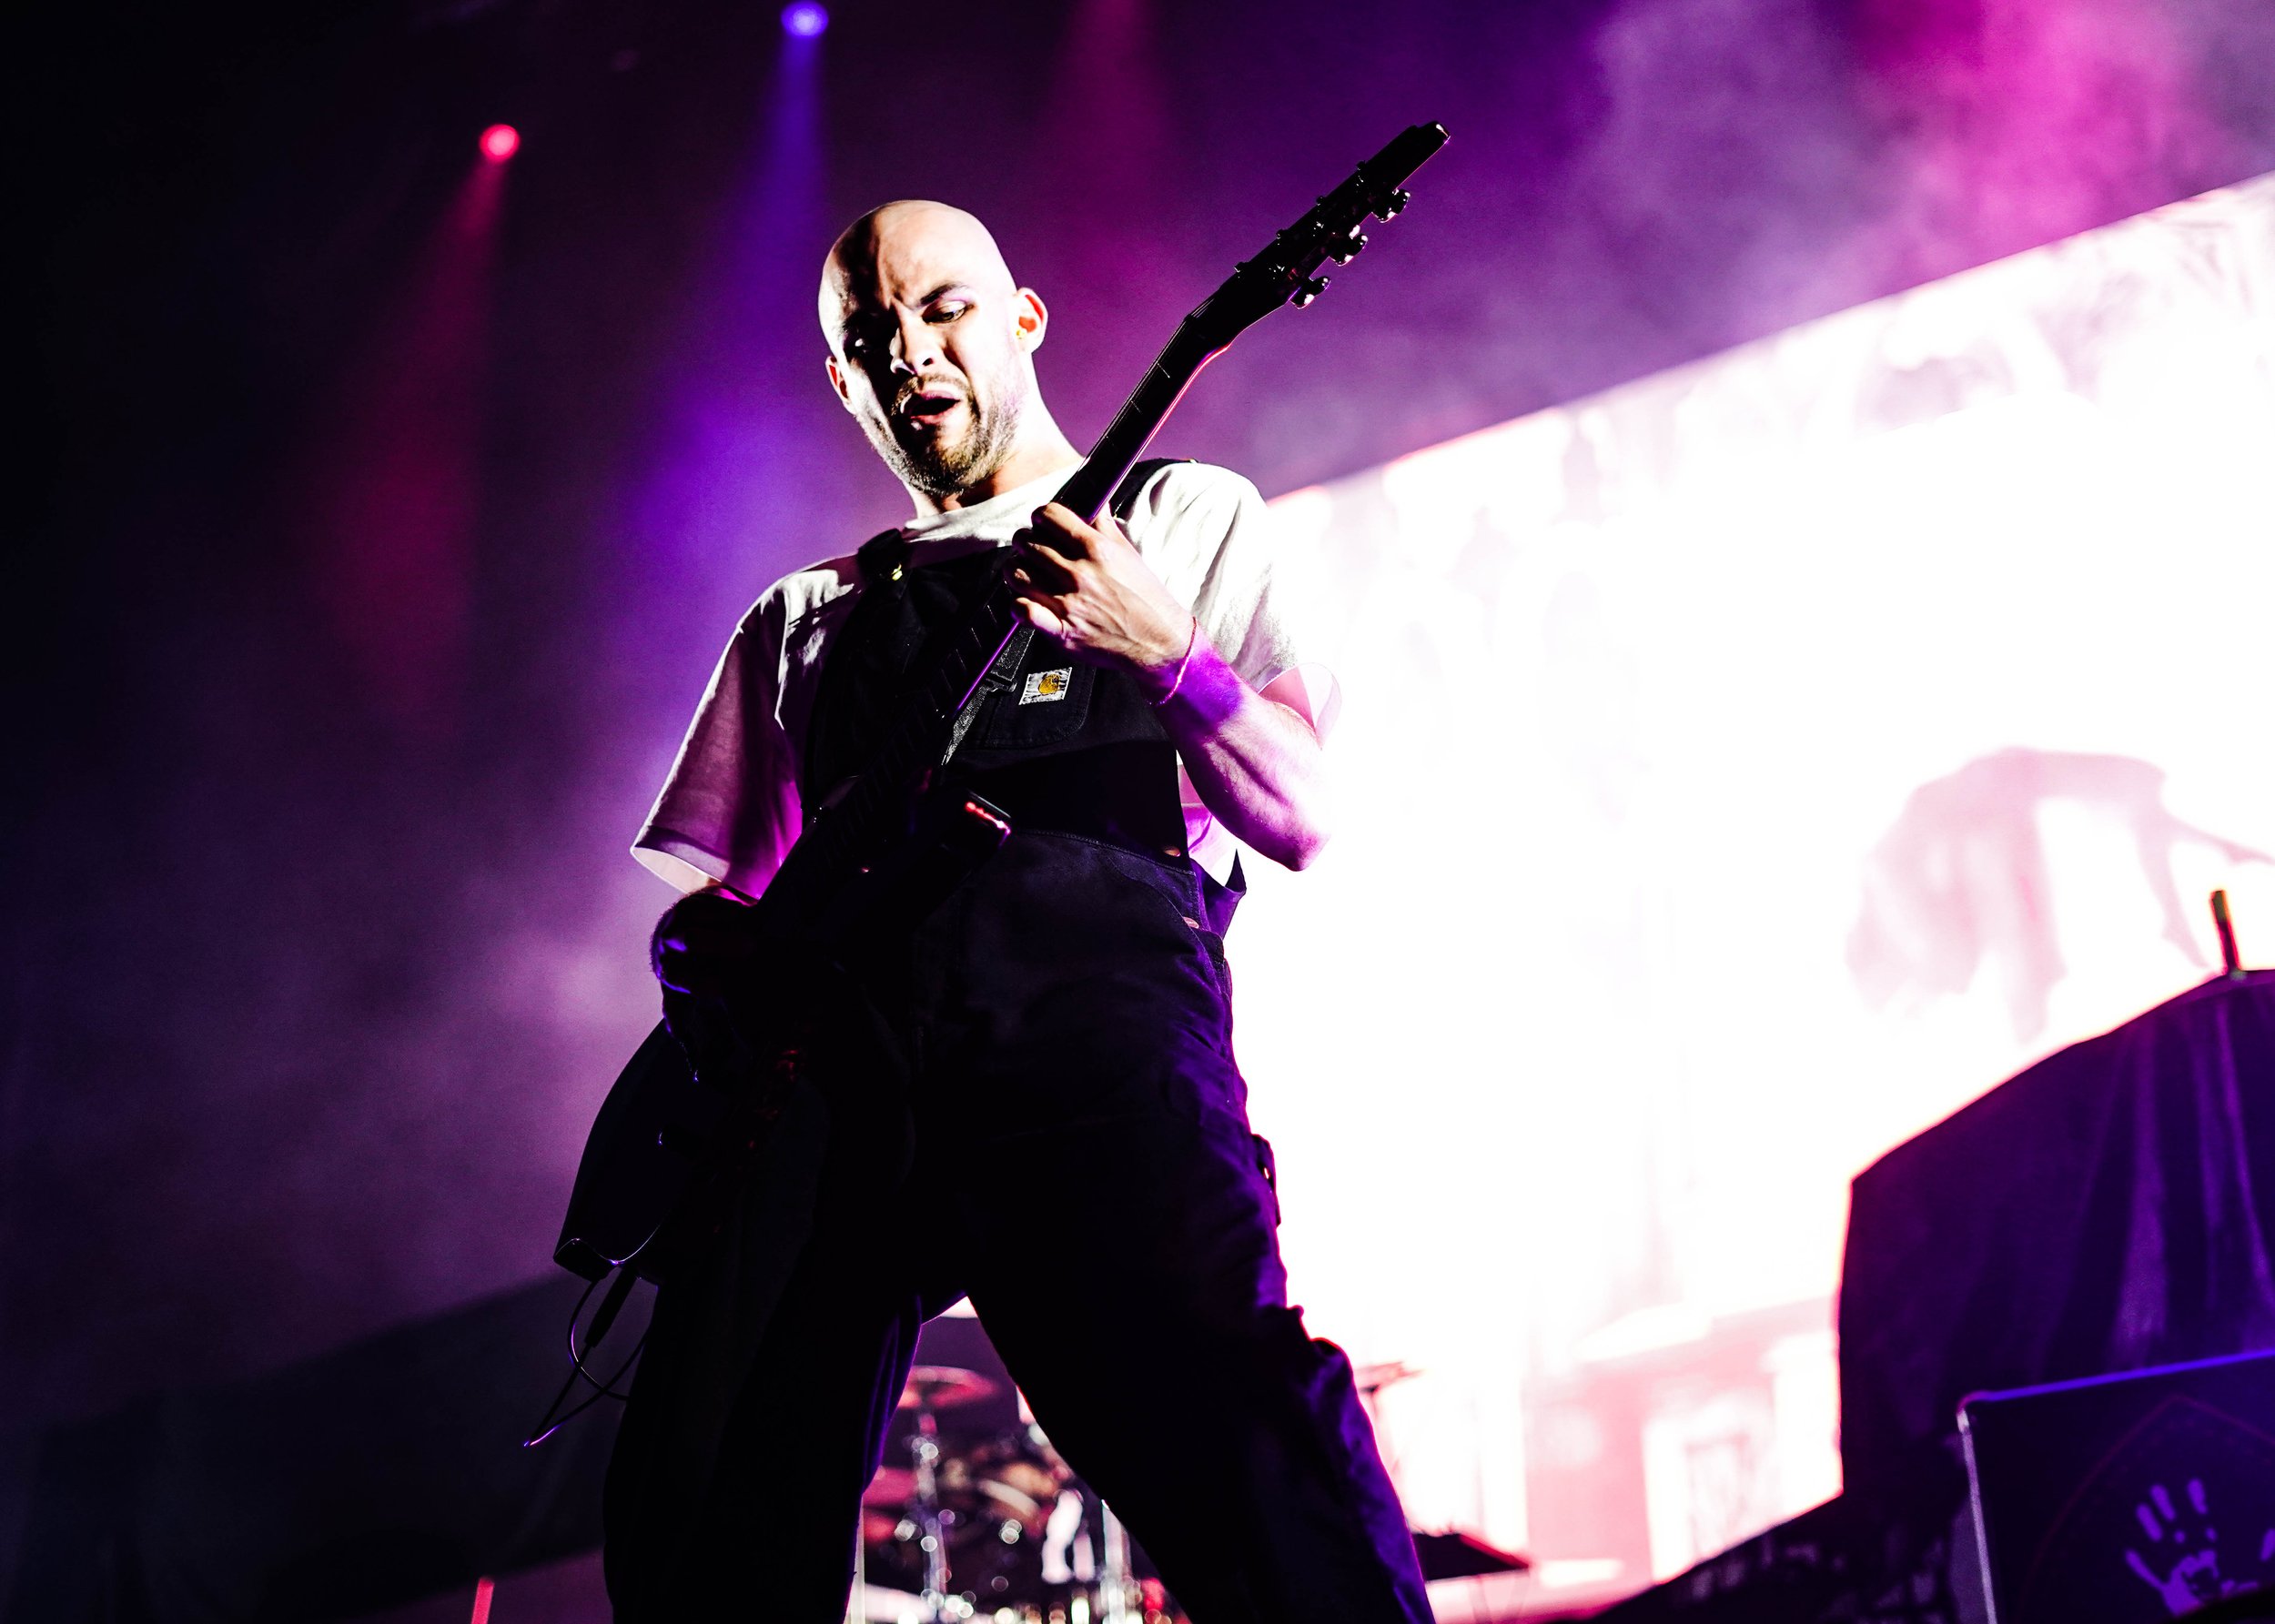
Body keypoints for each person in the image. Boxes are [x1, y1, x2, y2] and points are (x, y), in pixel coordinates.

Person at [602, 198, 1430, 1623]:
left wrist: (1169, 654)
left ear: (1023, 318)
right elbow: (728, 912)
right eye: (870, 336)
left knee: (1228, 1422)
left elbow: (1300, 816)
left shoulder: (1177, 517)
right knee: (703, 1481)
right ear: (844, 383)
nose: (910, 348)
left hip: (1084, 1044)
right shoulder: (807, 615)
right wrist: (698, 956)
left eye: (943, 308)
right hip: (846, 1085)